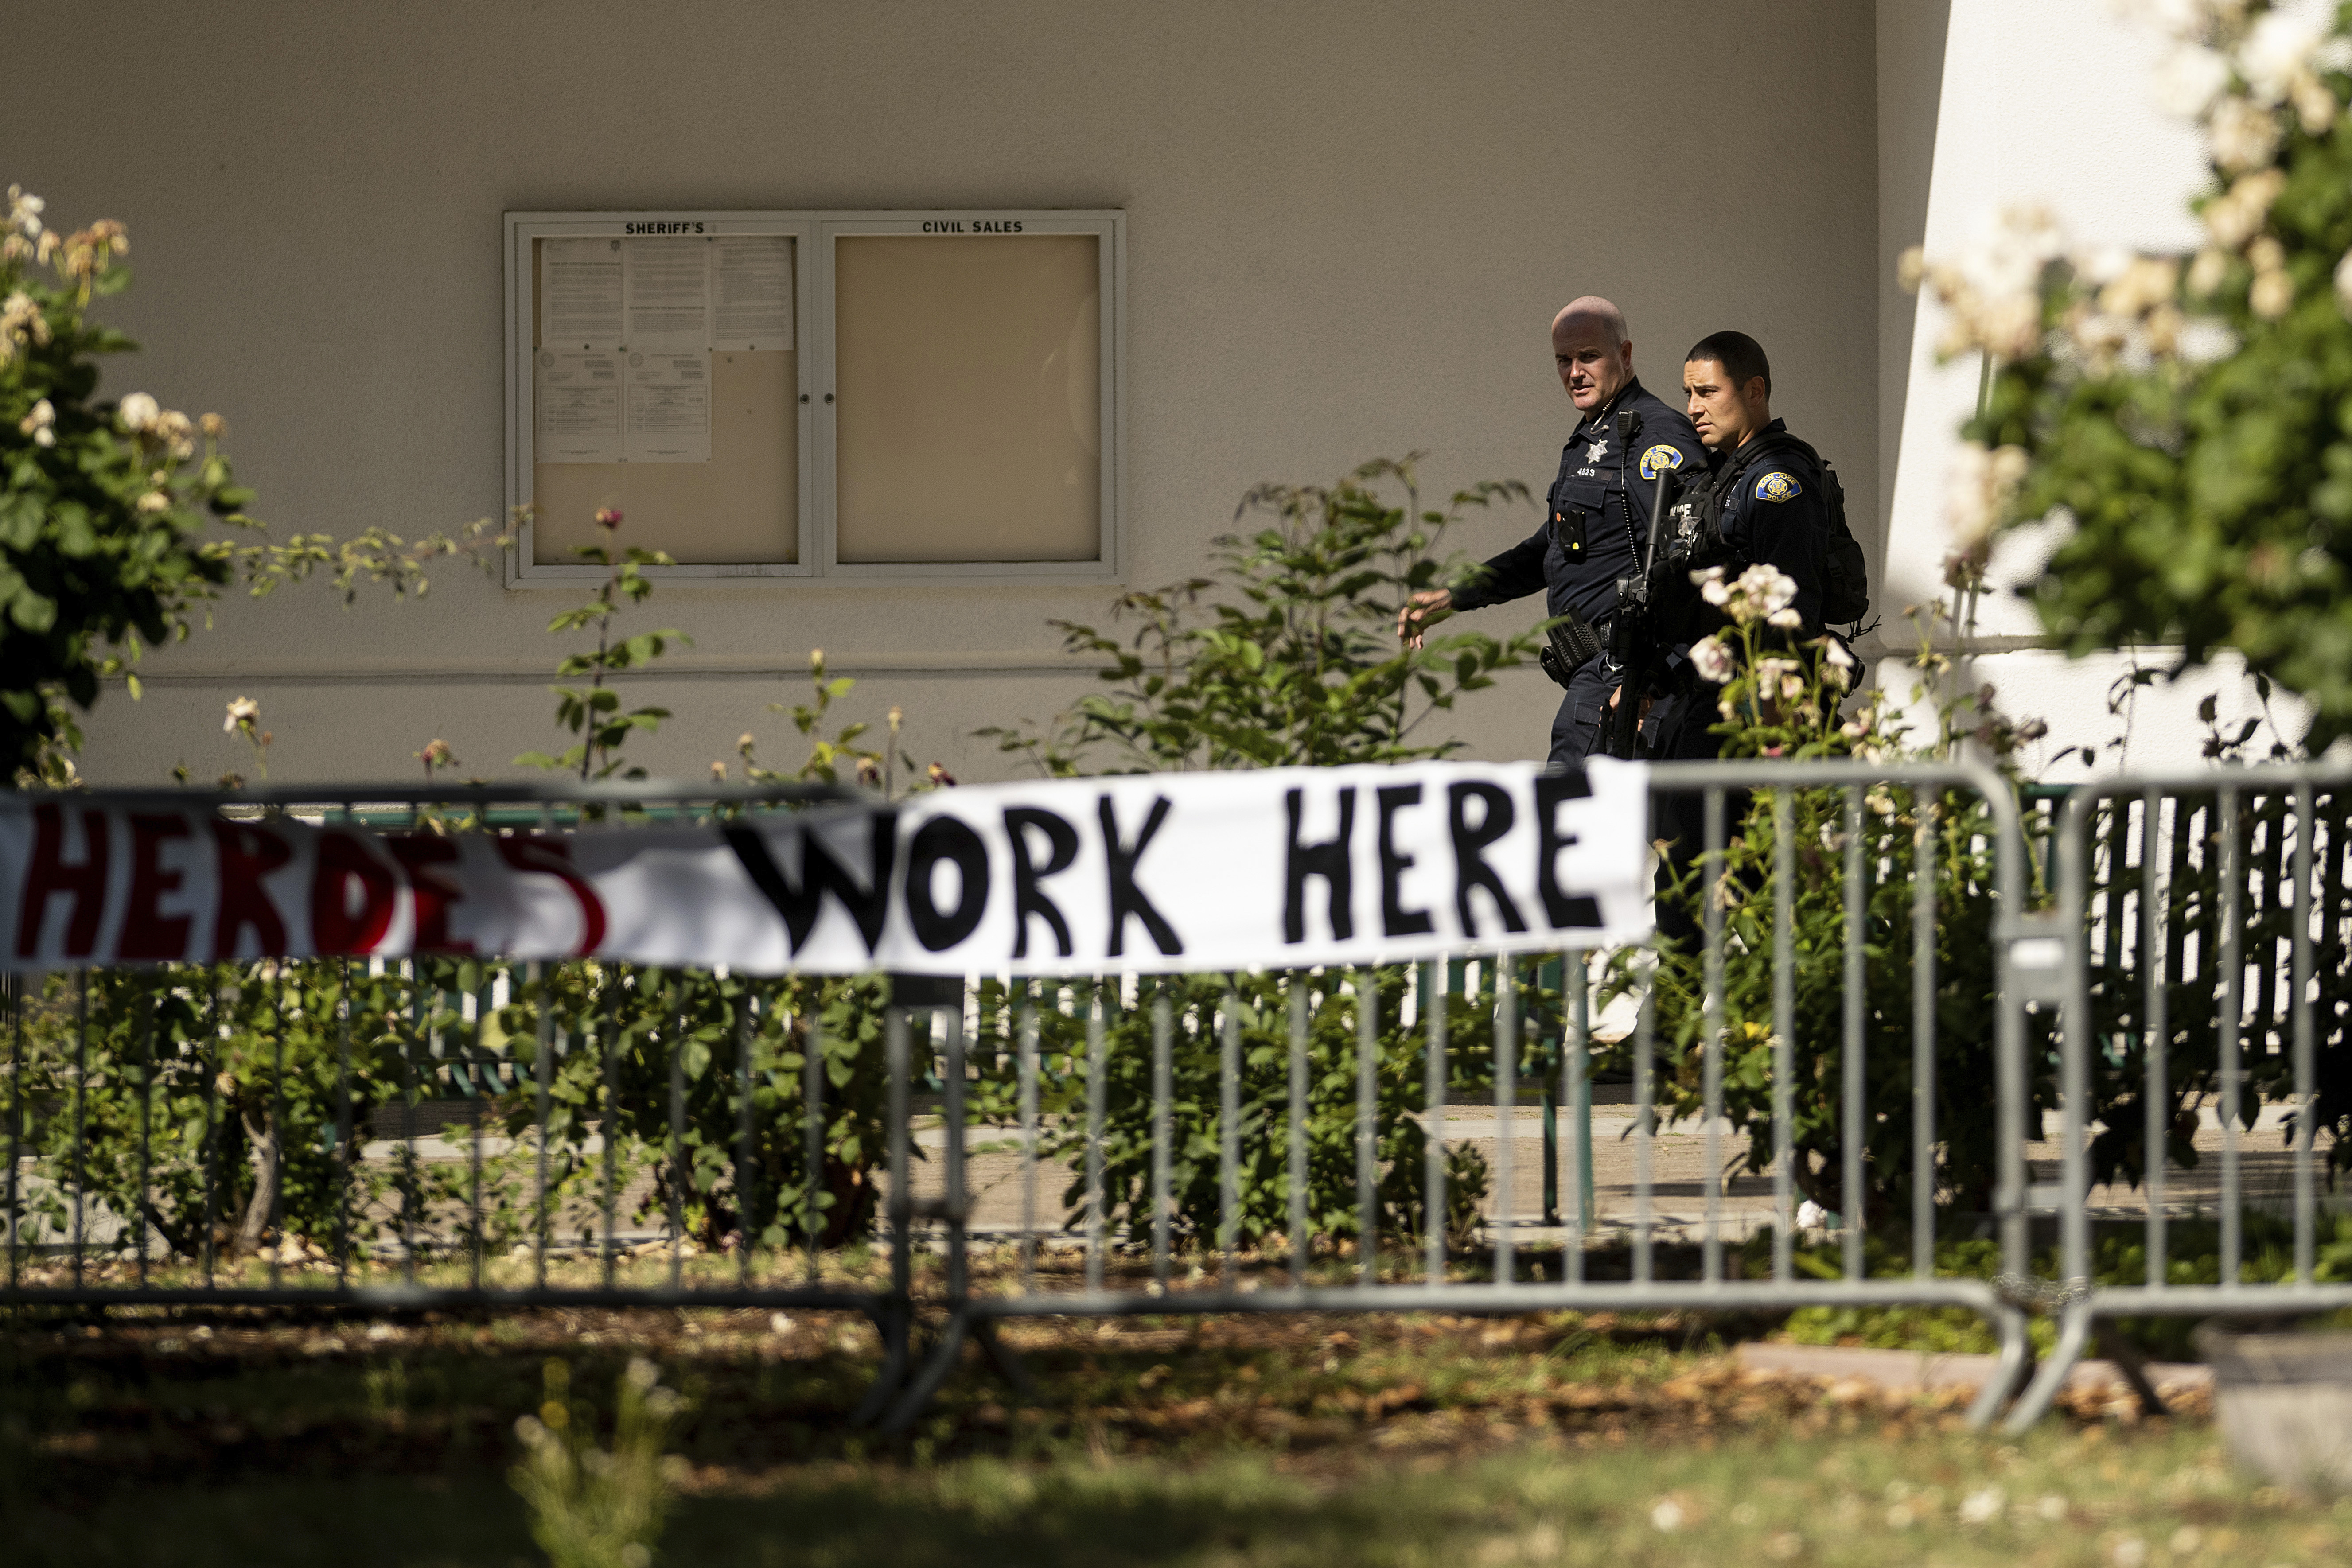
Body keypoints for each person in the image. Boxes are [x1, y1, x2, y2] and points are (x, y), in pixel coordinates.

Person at [1396, 297, 1708, 767]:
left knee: (1567, 818)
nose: (1574, 372)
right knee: (1640, 829)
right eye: (1564, 360)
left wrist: (1651, 679)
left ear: (1624, 354)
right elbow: (1549, 548)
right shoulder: (1594, 437)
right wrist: (1453, 596)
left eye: (1588, 357)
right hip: (1595, 670)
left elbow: (1688, 564)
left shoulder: (1654, 438)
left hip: (1623, 675)